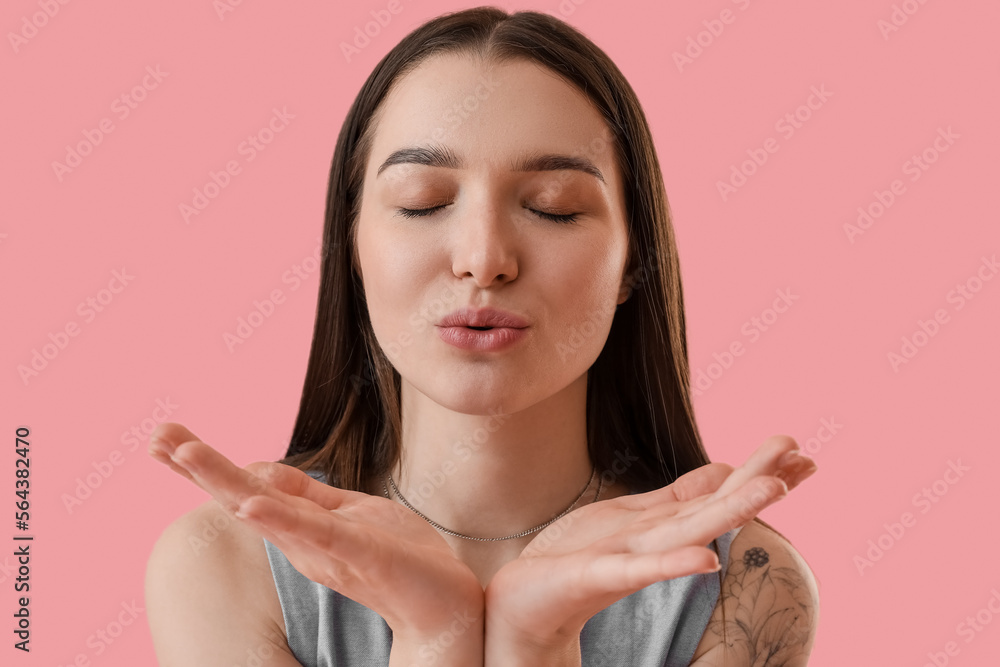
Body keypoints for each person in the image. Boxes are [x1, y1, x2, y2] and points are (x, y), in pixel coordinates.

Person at [145, 7, 820, 666]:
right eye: (423, 202)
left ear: (631, 263)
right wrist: (432, 631)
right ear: (352, 248)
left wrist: (536, 646)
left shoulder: (742, 589)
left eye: (553, 206)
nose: (484, 256)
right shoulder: (227, 566)